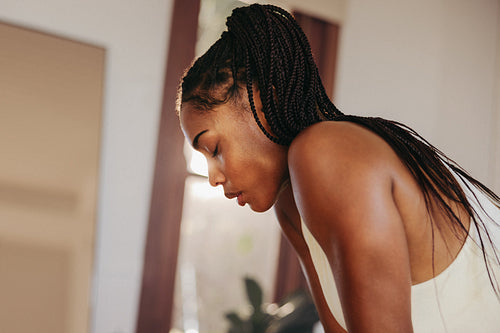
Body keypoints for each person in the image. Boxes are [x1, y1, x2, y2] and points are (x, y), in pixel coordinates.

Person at [177, 4, 500, 332]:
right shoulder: (290, 209)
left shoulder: (326, 153)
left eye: (214, 149)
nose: (214, 177)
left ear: (263, 96)